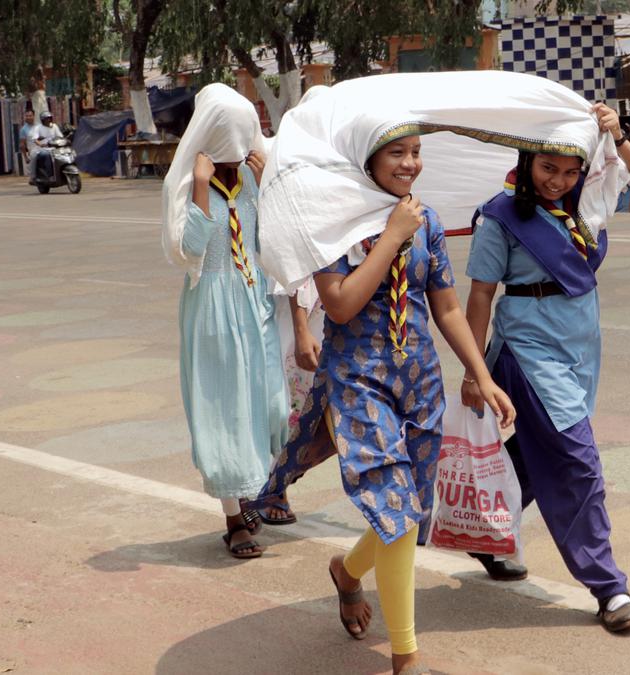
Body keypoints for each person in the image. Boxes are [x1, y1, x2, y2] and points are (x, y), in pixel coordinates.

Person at [250, 129, 515, 674]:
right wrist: (392, 235)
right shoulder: (334, 221)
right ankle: (406, 656)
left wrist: (479, 372)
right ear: (367, 161)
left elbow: (445, 307)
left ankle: (348, 572)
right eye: (398, 153)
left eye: (416, 152)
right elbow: (341, 304)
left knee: (408, 513)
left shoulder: (428, 222)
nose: (411, 163)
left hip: (418, 381)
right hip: (357, 382)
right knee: (394, 511)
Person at [462, 102, 630, 632]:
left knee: (530, 458)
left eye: (571, 168)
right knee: (577, 462)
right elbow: (481, 295)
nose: (558, 179)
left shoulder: (587, 201)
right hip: (527, 350)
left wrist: (617, 139)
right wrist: (474, 371)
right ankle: (608, 586)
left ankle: (475, 528)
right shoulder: (501, 216)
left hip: (579, 346)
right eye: (548, 167)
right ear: (528, 160)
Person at [160, 84, 289, 560]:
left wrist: (270, 178)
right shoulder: (185, 184)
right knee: (224, 413)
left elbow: (275, 237)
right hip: (212, 306)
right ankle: (235, 519)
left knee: (273, 406)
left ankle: (261, 491)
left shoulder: (254, 176)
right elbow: (189, 250)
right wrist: (197, 186)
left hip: (255, 300)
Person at [28, 111, 61, 183]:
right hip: (43, 149)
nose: (48, 120)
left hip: (54, 147)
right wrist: (40, 144)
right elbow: (35, 139)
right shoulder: (38, 128)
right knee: (46, 155)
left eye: (49, 118)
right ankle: (49, 175)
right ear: (42, 120)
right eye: (46, 119)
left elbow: (60, 136)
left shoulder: (54, 126)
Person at [18, 109, 36, 175]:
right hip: (32, 153)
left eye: (30, 116)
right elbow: (22, 145)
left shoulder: (39, 126)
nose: (28, 117)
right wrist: (26, 157)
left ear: (34, 116)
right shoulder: (23, 129)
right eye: (27, 116)